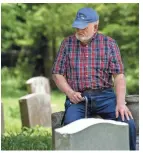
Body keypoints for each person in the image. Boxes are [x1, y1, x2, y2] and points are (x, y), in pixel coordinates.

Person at [52, 7, 136, 150]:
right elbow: (57, 73)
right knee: (69, 130)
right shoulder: (67, 44)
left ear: (95, 27)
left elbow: (119, 76)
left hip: (105, 97)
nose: (79, 30)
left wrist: (121, 103)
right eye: (77, 27)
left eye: (83, 27)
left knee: (128, 123)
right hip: (78, 99)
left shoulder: (109, 44)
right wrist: (70, 93)